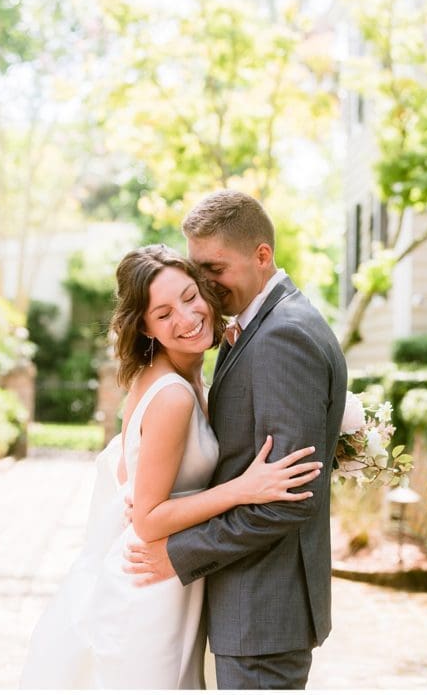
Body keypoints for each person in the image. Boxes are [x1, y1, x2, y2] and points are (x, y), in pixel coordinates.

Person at [20, 245, 323, 689]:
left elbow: (129, 472)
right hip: (150, 593)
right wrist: (244, 489)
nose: (185, 318)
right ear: (144, 327)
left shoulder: (188, 377)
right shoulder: (173, 396)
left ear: (204, 289)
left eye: (188, 297)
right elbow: (146, 519)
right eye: (163, 315)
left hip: (175, 586)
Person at [125, 191, 347, 689]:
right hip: (242, 607)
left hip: (262, 612)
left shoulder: (281, 338)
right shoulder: (253, 330)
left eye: (214, 268)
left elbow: (289, 499)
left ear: (261, 255)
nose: (205, 285)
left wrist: (179, 553)